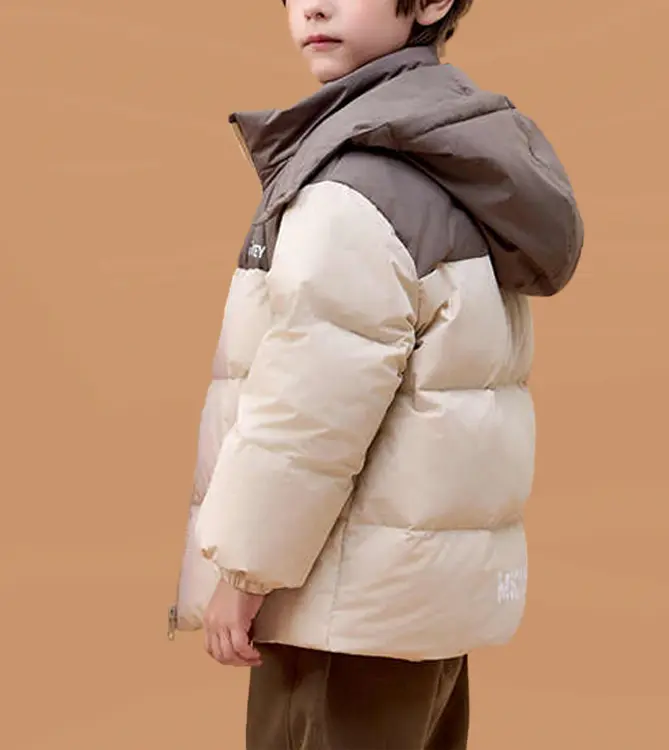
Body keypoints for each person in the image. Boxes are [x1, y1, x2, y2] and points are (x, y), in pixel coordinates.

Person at [169, 1, 585, 748]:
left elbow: (310, 414)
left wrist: (243, 574)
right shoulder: (461, 168)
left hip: (338, 614)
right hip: (420, 616)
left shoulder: (355, 192)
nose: (313, 6)